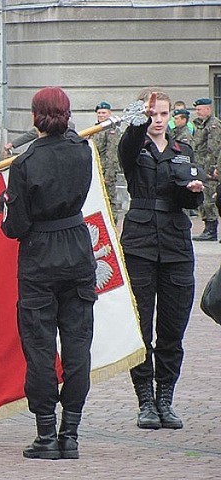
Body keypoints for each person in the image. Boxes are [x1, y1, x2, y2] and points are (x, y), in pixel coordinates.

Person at [0, 87, 97, 460]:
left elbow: (16, 227)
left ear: (34, 116)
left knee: (40, 346)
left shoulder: (24, 163)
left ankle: (45, 433)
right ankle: (70, 432)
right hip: (76, 246)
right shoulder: (81, 151)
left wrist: (5, 211)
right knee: (77, 345)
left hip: (40, 251)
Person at [118, 89, 204, 431]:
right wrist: (140, 111)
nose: (158, 120)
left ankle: (165, 398)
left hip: (175, 243)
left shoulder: (184, 150)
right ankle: (145, 401)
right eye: (153, 114)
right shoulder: (133, 147)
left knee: (172, 327)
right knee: (141, 327)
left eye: (163, 114)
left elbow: (192, 202)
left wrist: (193, 191)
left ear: (171, 116)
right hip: (139, 243)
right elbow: (130, 139)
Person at [191, 97, 221, 241]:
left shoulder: (213, 125)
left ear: (208, 109)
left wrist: (211, 170)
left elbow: (213, 149)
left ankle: (211, 230)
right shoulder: (201, 125)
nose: (197, 112)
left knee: (209, 199)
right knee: (204, 199)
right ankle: (207, 227)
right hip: (200, 167)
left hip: (208, 169)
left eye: (199, 109)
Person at [91, 101, 123, 222]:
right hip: (96, 171)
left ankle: (112, 225)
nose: (101, 115)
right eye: (99, 113)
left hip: (106, 171)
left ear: (109, 113)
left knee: (109, 201)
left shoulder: (111, 130)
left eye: (104, 113)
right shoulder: (95, 129)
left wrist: (109, 174)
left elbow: (112, 153)